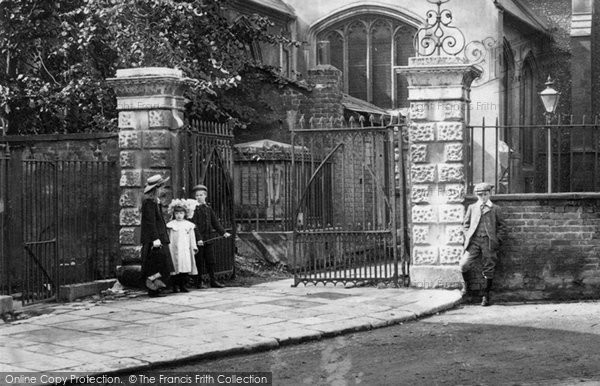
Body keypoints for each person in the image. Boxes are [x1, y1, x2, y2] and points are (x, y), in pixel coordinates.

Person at [460, 182, 506, 306]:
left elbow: (502, 226)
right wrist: (467, 236)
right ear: (477, 195)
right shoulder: (472, 208)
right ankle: (467, 289)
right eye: (480, 195)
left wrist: (497, 239)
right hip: (474, 241)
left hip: (489, 242)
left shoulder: (495, 209)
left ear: (489, 194)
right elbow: (465, 225)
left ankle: (486, 295)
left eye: (485, 194)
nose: (483, 197)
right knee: (464, 264)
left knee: (489, 267)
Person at [190, 184, 231, 288]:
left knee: (210, 260)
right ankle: (198, 282)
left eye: (201, 195)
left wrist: (223, 232)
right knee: (199, 261)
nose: (199, 197)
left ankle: (213, 281)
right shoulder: (193, 209)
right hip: (198, 240)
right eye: (197, 195)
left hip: (208, 239)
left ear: (205, 196)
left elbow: (215, 222)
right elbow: (193, 225)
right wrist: (198, 238)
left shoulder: (208, 208)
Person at [140, 174, 174, 297]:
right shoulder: (149, 202)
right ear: (156, 188)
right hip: (153, 239)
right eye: (160, 187)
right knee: (153, 266)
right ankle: (153, 289)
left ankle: (157, 287)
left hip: (159, 237)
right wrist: (155, 238)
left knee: (161, 265)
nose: (162, 190)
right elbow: (150, 222)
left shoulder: (155, 202)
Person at [166, 200, 199, 293]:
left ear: (185, 213)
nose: (179, 215)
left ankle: (183, 285)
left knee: (184, 266)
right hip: (174, 248)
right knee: (175, 267)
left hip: (185, 249)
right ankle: (174, 286)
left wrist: (194, 247)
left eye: (181, 213)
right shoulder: (171, 225)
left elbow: (192, 237)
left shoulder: (188, 225)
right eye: (176, 213)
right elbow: (168, 237)